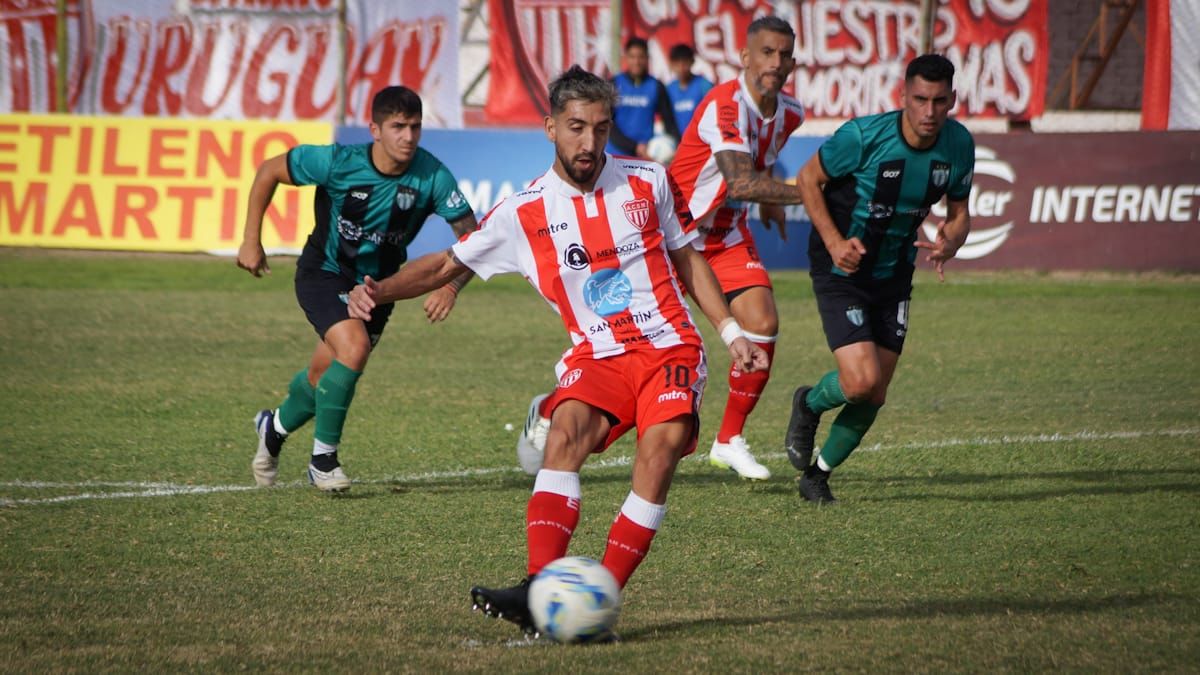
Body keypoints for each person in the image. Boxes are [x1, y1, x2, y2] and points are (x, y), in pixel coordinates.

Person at [345, 65, 768, 637]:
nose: (589, 142)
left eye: (600, 127)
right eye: (575, 128)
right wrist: (379, 288)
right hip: (597, 356)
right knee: (563, 435)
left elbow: (689, 256)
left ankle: (599, 598)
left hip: (669, 342)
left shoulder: (648, 179)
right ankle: (540, 593)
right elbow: (447, 263)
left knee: (662, 447)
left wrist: (729, 330)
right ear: (549, 128)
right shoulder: (525, 210)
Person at [236, 85, 477, 492]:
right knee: (354, 350)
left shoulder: (432, 175)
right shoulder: (337, 162)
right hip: (325, 272)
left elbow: (472, 237)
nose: (408, 137)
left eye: (415, 127)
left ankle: (272, 430)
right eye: (398, 127)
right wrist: (250, 239)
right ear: (375, 129)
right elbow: (269, 171)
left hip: (380, 288)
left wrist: (451, 286)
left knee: (322, 376)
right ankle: (323, 460)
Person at [784, 53, 974, 503]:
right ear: (903, 96)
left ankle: (818, 475)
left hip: (894, 272)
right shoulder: (864, 136)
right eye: (920, 99)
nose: (929, 112)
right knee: (859, 382)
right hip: (841, 268)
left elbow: (960, 212)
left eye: (939, 101)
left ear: (952, 101)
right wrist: (833, 242)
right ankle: (809, 403)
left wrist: (954, 240)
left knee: (875, 393)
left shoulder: (959, 144)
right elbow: (807, 180)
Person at [666, 15, 808, 479]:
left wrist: (772, 202)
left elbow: (760, 167)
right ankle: (550, 413)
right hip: (671, 235)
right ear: (745, 57)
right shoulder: (723, 106)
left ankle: (728, 440)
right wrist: (810, 195)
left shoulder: (791, 113)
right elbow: (743, 181)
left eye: (785, 54)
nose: (777, 62)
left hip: (725, 234)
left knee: (763, 322)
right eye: (767, 52)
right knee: (648, 352)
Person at [607, 37, 680, 160]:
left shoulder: (656, 86)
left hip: (645, 157)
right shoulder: (614, 84)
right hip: (614, 154)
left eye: (641, 57)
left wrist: (677, 145)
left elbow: (670, 123)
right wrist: (634, 146)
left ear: (647, 58)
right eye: (632, 57)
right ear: (626, 58)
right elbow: (607, 123)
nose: (636, 61)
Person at [665, 43, 713, 134]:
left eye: (685, 62)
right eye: (677, 63)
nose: (681, 67)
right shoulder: (669, 89)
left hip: (700, 139)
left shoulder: (704, 85)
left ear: (692, 61)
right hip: (677, 140)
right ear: (671, 64)